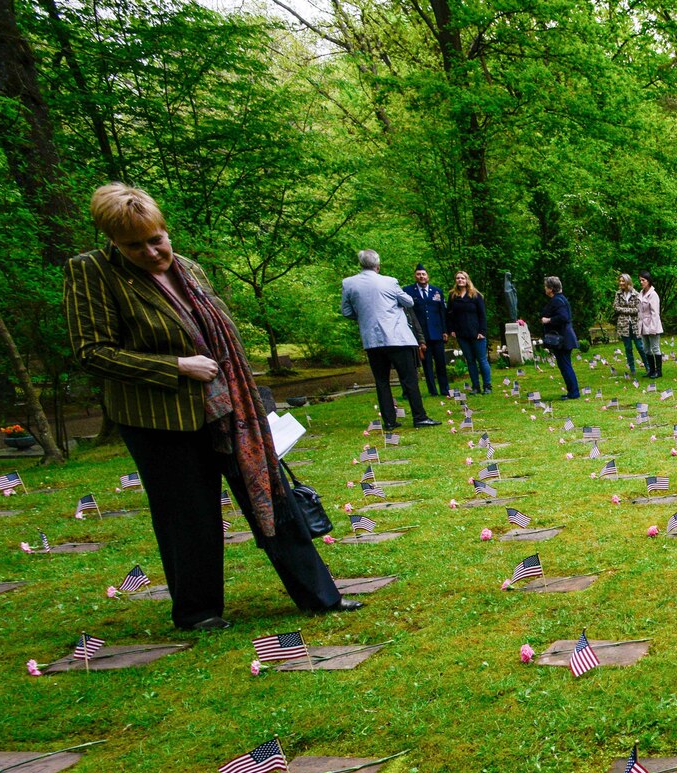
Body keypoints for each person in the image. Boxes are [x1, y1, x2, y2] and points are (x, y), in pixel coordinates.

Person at [64, 182, 350, 631]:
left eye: (156, 240)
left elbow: (223, 337)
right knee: (187, 513)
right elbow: (92, 352)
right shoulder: (92, 273)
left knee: (270, 495)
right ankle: (199, 612)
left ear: (165, 230)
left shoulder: (191, 270)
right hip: (161, 419)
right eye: (135, 246)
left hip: (231, 409)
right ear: (113, 242)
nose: (152, 252)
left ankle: (320, 596)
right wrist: (176, 366)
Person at [340, 249, 432, 429]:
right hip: (397, 338)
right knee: (409, 379)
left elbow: (347, 312)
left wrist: (365, 316)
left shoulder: (348, 283)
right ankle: (419, 417)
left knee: (382, 381)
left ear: (361, 264)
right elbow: (409, 302)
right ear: (378, 265)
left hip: (372, 340)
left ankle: (389, 421)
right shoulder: (389, 282)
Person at [406, 265, 450, 399]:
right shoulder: (408, 291)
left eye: (423, 274)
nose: (421, 277)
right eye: (418, 274)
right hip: (422, 335)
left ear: (427, 276)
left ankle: (444, 389)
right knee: (427, 364)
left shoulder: (436, 291)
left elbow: (442, 312)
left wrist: (445, 330)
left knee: (441, 363)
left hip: (437, 333)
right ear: (415, 276)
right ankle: (432, 390)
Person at [447, 270, 492, 394]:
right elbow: (449, 314)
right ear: (455, 280)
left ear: (467, 280)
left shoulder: (476, 295)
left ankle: (487, 385)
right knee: (470, 360)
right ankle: (475, 386)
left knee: (482, 360)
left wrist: (482, 331)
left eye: (462, 278)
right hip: (462, 333)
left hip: (477, 333)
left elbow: (482, 315)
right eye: (458, 278)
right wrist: (451, 330)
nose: (460, 280)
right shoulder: (452, 296)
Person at [537, 276, 580, 400]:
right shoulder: (560, 299)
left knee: (565, 365)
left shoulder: (557, 300)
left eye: (546, 287)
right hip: (565, 337)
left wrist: (548, 320)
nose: (545, 289)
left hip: (563, 338)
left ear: (551, 289)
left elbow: (563, 317)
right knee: (564, 365)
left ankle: (574, 392)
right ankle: (572, 391)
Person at [612, 274, 643, 376]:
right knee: (628, 348)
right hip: (623, 325)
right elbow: (616, 307)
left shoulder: (636, 294)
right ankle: (632, 369)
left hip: (634, 324)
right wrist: (629, 310)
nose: (621, 283)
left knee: (640, 346)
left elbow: (637, 309)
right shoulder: (618, 294)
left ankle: (648, 366)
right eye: (620, 281)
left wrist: (624, 310)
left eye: (623, 281)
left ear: (628, 282)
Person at [636, 272, 664, 378]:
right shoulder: (641, 293)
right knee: (646, 349)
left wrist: (653, 328)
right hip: (643, 325)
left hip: (652, 325)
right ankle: (651, 370)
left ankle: (658, 371)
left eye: (643, 280)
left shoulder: (653, 294)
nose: (641, 282)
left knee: (655, 347)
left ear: (649, 281)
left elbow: (655, 313)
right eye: (640, 280)